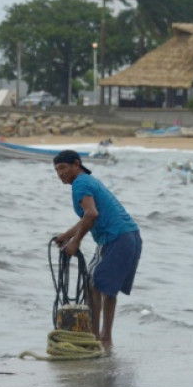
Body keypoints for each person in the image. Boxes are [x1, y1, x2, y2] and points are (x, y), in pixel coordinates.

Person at [53, 150, 142, 349]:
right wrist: (67, 236)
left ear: (76, 165)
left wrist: (75, 243)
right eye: (56, 170)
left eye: (63, 168)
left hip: (116, 238)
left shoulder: (80, 184)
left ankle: (99, 338)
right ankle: (100, 337)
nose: (60, 174)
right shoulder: (87, 181)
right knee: (101, 286)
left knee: (98, 285)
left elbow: (91, 214)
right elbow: (89, 215)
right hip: (129, 237)